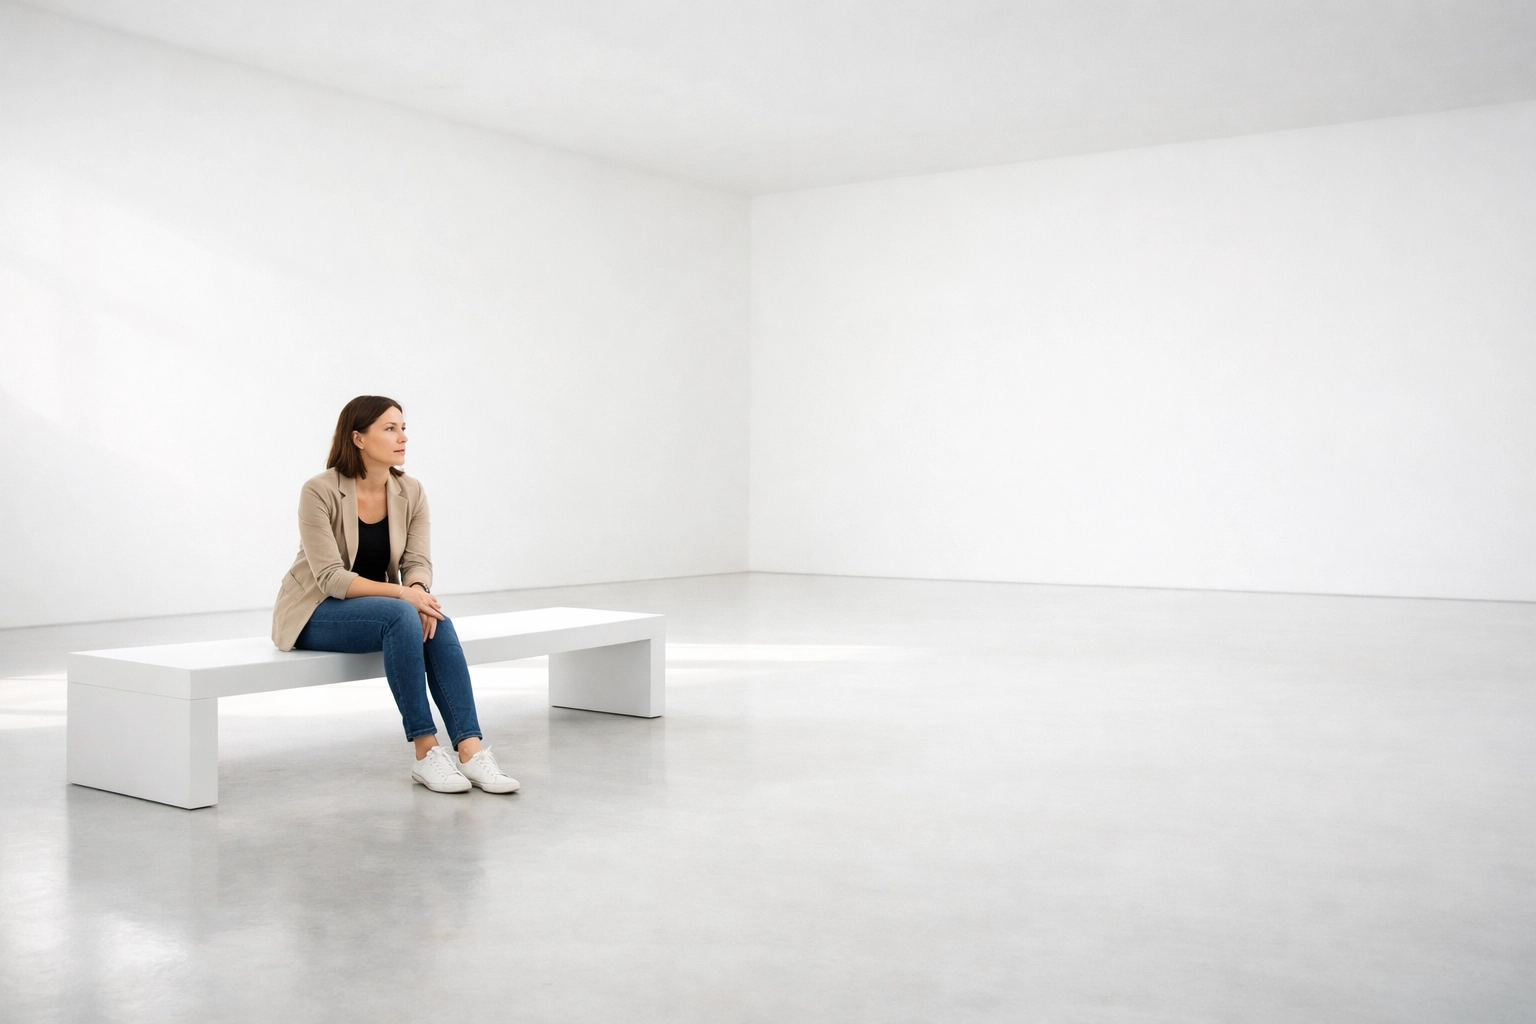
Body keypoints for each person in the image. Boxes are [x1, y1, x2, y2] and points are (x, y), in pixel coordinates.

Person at [271, 395, 519, 794]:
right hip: (315, 612)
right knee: (402, 613)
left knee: (434, 618)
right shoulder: (318, 490)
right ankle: (425, 750)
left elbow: (417, 561)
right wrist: (404, 596)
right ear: (358, 438)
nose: (403, 437)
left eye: (403, 428)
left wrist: (416, 591)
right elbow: (331, 578)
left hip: (380, 608)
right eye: (390, 429)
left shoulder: (410, 491)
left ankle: (470, 750)